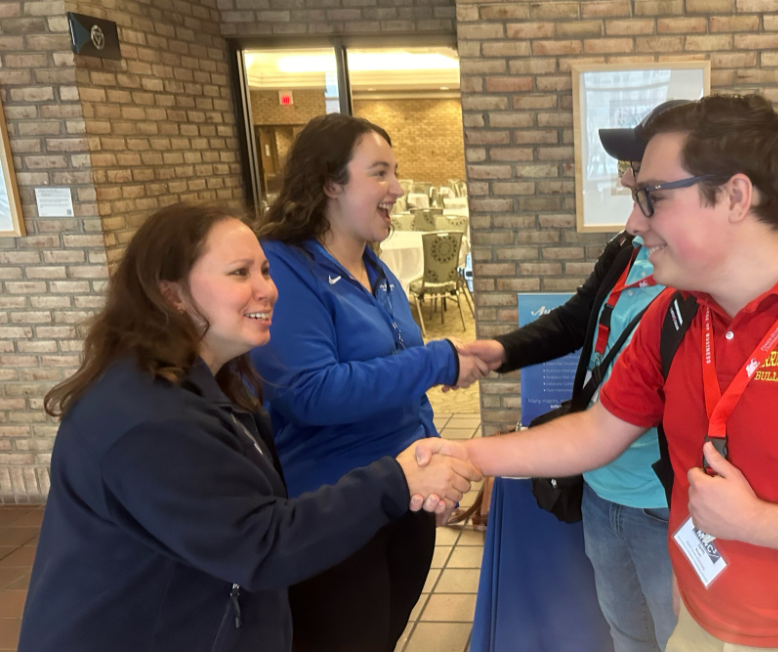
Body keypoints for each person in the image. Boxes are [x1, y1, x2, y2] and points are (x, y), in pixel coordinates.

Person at [414, 95, 778, 652]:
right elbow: (597, 431)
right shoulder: (675, 318)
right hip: (700, 627)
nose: (634, 223)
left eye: (651, 197)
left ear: (735, 196)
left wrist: (756, 522)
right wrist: (467, 455)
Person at [18, 203, 480, 652]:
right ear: (171, 294)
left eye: (265, 270)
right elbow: (261, 544)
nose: (268, 290)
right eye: (240, 273)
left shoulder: (212, 384)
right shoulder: (146, 420)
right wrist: (397, 480)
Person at [250, 113, 488, 652]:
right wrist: (439, 360)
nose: (397, 188)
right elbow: (310, 393)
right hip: (335, 512)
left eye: (394, 173)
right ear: (329, 183)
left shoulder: (376, 270)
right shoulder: (284, 271)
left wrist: (433, 456)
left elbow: (406, 385)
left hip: (403, 497)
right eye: (379, 173)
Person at [460, 102, 692, 652]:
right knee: (625, 631)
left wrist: (463, 457)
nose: (633, 214)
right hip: (601, 489)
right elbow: (575, 320)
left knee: (678, 639)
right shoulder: (627, 249)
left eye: (645, 187)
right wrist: (501, 351)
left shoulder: (700, 283)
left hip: (661, 503)